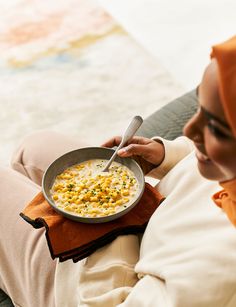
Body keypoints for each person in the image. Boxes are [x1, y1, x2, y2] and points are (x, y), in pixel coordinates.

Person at [0, 36, 236, 307]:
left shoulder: (220, 271)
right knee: (34, 145)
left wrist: (111, 225)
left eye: (216, 128)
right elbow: (195, 158)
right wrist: (165, 156)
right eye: (200, 109)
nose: (189, 130)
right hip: (146, 221)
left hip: (92, 285)